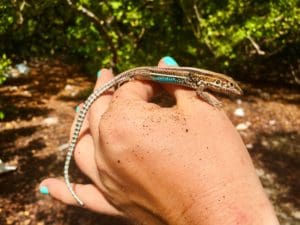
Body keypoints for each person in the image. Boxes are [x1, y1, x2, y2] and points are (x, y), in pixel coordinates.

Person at [40, 56, 279, 225]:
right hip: (141, 74)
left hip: (150, 74)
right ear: (221, 82)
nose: (233, 90)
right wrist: (213, 102)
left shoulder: (202, 79)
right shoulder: (202, 81)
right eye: (230, 86)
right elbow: (199, 92)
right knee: (128, 81)